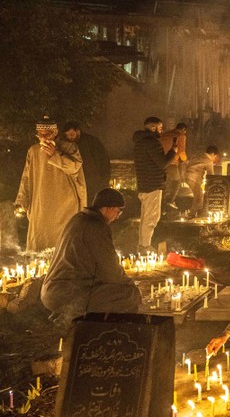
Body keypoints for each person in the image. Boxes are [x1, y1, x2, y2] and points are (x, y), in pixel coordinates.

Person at [41, 188, 141, 326]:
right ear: (107, 208)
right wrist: (128, 282)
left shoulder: (78, 218)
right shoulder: (96, 226)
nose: (118, 216)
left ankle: (64, 314)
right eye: (118, 211)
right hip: (67, 292)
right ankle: (73, 319)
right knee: (129, 294)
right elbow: (109, 270)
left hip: (53, 291)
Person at [15, 117, 88, 251]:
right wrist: (22, 200)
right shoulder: (33, 151)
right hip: (41, 202)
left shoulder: (69, 147)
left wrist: (55, 155)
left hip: (64, 202)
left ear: (55, 133)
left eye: (47, 134)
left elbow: (75, 167)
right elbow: (26, 176)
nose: (44, 138)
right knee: (40, 237)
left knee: (64, 238)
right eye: (40, 135)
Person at [133, 117, 177, 252]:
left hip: (144, 183)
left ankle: (142, 245)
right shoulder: (152, 143)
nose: (161, 131)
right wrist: (172, 152)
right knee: (151, 218)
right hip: (153, 184)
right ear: (153, 128)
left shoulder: (139, 142)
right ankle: (145, 246)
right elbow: (162, 163)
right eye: (160, 128)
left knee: (145, 217)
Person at [61, 121, 110, 204]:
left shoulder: (92, 142)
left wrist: (103, 182)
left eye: (72, 134)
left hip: (93, 183)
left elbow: (104, 162)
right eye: (67, 135)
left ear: (78, 131)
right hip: (76, 186)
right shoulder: (67, 145)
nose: (70, 137)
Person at [183, 146, 220, 217]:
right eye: (215, 156)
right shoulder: (209, 160)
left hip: (187, 175)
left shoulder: (199, 156)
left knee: (199, 195)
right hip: (194, 178)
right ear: (212, 154)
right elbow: (211, 175)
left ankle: (198, 212)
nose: (214, 158)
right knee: (199, 196)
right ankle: (192, 214)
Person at [160, 123, 188, 210]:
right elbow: (181, 152)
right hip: (172, 163)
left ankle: (162, 204)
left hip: (160, 162)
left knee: (164, 184)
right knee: (177, 181)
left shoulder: (164, 135)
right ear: (183, 130)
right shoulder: (181, 136)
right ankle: (171, 201)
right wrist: (185, 160)